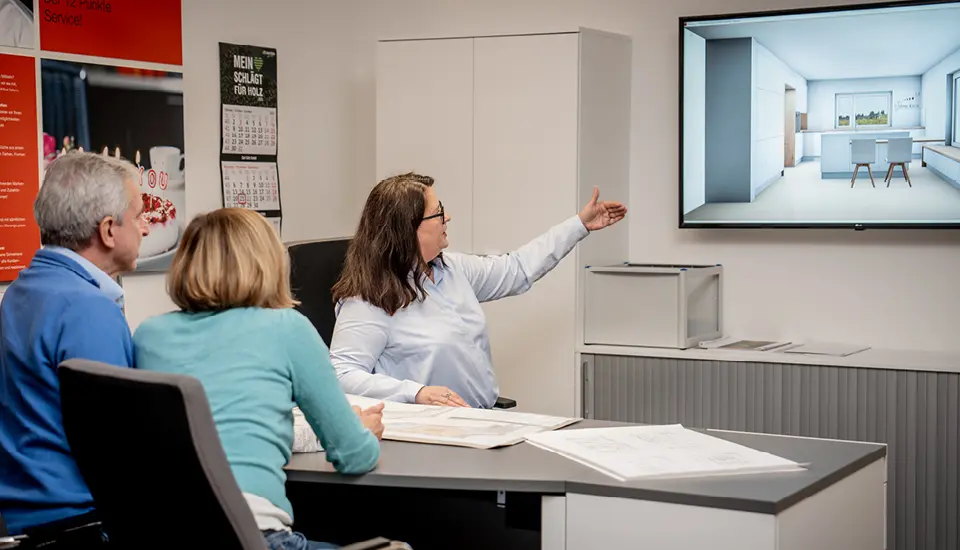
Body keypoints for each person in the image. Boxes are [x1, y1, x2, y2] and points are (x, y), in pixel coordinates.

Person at [133, 208, 383, 550]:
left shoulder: (148, 336)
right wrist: (363, 432)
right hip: (255, 536)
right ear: (267, 263)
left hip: (160, 533)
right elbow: (354, 456)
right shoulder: (287, 328)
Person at [330, 172, 627, 409]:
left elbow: (518, 269)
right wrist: (415, 392)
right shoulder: (368, 299)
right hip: (426, 434)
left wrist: (579, 225)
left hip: (478, 423)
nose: (447, 218)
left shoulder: (454, 270)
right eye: (438, 213)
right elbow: (341, 374)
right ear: (408, 228)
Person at [0, 152, 148, 544]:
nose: (146, 228)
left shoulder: (20, 291)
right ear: (108, 230)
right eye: (137, 216)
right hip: (76, 524)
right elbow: (116, 446)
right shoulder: (89, 309)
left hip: (23, 517)